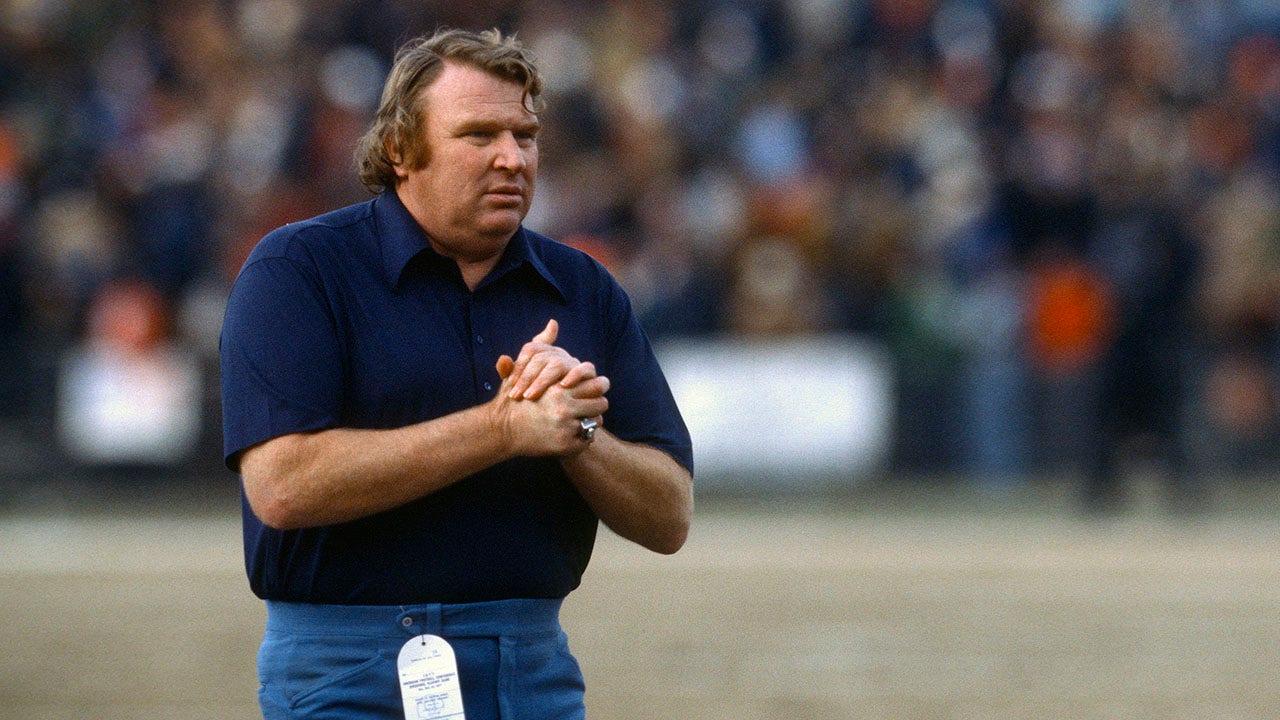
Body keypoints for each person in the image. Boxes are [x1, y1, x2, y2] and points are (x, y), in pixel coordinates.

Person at [219, 28, 693, 720]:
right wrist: (503, 428)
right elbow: (283, 486)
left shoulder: (583, 287)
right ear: (398, 149)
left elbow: (671, 515)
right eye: (478, 136)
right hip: (343, 673)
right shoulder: (299, 270)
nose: (512, 158)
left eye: (525, 136)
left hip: (529, 670)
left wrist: (578, 430)